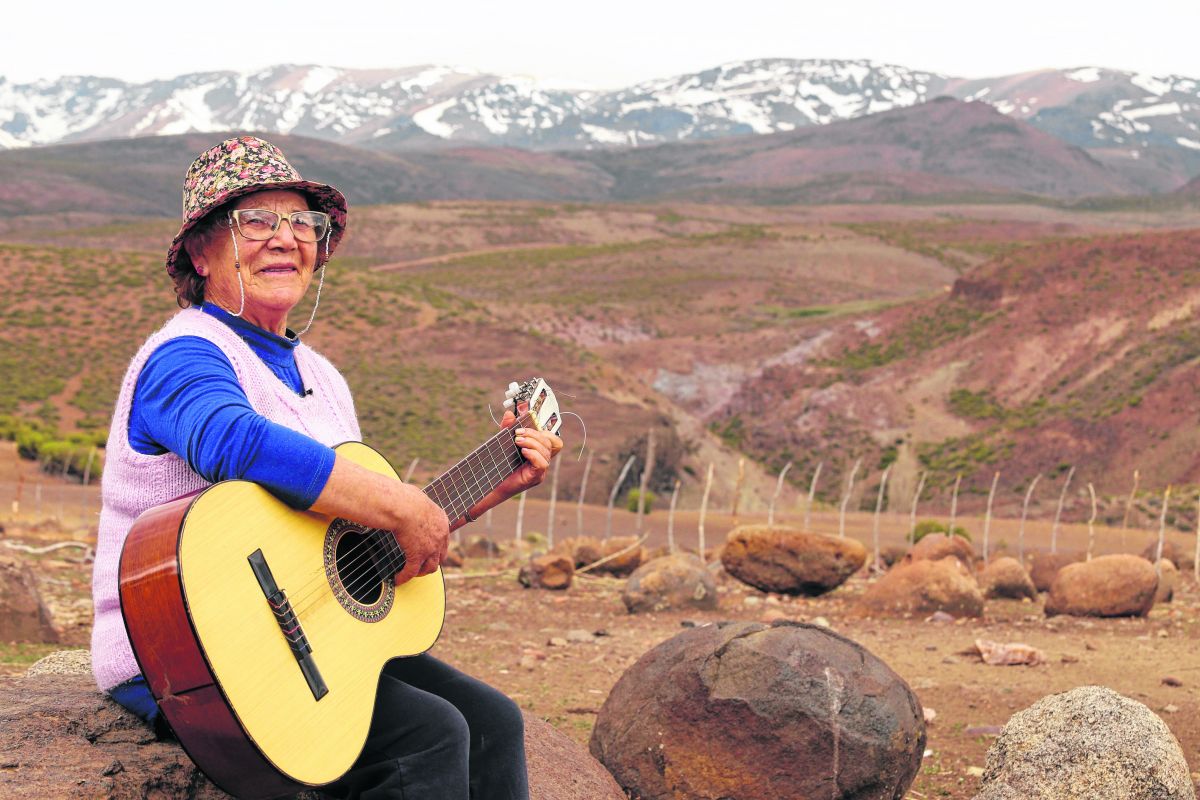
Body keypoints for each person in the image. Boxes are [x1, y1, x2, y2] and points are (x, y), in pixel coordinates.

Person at [90, 135, 562, 799]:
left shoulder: (323, 378)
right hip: (185, 650)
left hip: (301, 631)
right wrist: (401, 506)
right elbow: (231, 440)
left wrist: (487, 489)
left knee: (492, 723)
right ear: (201, 251)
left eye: (302, 223)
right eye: (254, 221)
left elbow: (354, 538)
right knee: (428, 735)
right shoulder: (183, 354)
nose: (284, 238)